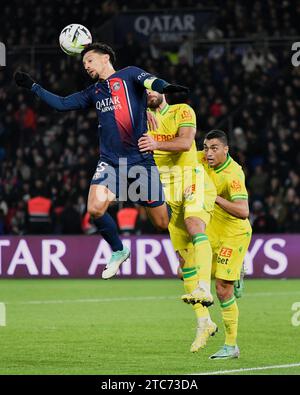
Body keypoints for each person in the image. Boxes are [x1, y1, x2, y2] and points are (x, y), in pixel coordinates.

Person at [14, 42, 189, 280]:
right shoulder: (93, 92)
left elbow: (152, 82)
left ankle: (191, 239)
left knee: (161, 223)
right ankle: (119, 250)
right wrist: (33, 86)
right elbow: (62, 104)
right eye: (83, 63)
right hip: (111, 162)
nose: (85, 66)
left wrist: (167, 87)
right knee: (95, 209)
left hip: (140, 161)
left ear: (105, 58)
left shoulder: (129, 74)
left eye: (89, 61)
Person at [138, 90, 217, 353]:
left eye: (152, 88)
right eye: (144, 90)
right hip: (165, 189)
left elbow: (185, 144)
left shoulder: (182, 110)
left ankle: (205, 287)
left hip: (191, 180)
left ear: (163, 92)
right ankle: (203, 322)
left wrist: (154, 143)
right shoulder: (141, 117)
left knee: (196, 225)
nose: (148, 93)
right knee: (184, 264)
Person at [198, 130, 252, 359]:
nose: (208, 153)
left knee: (222, 289)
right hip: (211, 232)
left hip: (233, 234)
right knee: (188, 276)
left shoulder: (233, 174)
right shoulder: (202, 158)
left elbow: (243, 211)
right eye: (206, 147)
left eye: (214, 148)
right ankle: (235, 272)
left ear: (226, 149)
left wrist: (214, 196)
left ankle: (231, 346)